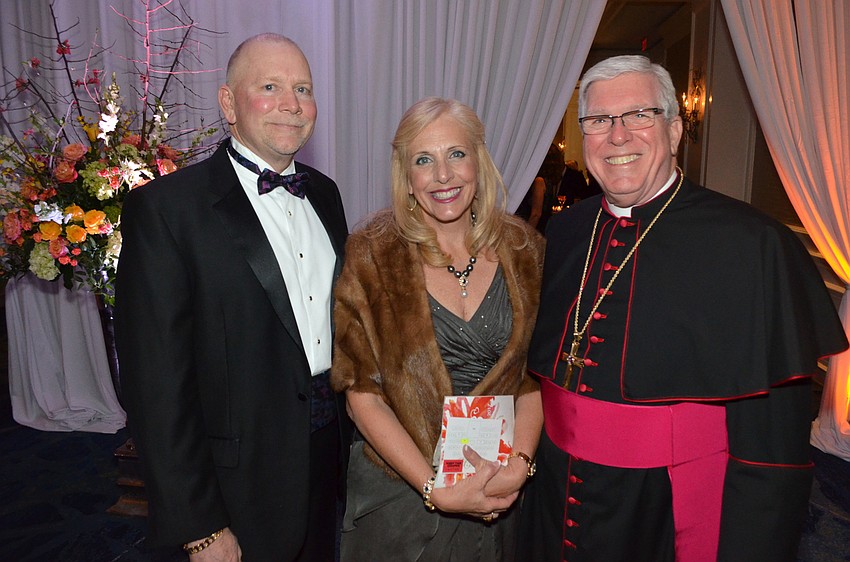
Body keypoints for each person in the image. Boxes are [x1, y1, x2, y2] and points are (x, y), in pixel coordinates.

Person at [518, 55, 848, 562]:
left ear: (673, 130)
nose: (617, 135)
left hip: (671, 512)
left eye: (639, 115)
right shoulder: (565, 230)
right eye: (599, 120)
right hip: (556, 504)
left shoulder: (753, 245)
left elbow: (773, 458)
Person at [114, 33, 348, 561]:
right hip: (233, 483)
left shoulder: (326, 194)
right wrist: (199, 526)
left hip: (326, 457)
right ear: (228, 103)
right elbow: (156, 386)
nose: (292, 104)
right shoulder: (167, 210)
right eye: (270, 86)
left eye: (303, 89)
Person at [331, 97, 545, 561]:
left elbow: (533, 380)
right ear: (406, 178)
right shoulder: (371, 253)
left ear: (479, 162)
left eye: (457, 154)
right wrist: (434, 489)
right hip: (399, 500)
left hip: (499, 494)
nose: (443, 175)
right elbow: (360, 392)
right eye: (424, 160)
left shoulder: (526, 249)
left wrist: (520, 465)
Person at [515, 143, 564, 234]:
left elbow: (536, 214)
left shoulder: (539, 181)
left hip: (536, 230)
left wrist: (526, 236)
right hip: (544, 229)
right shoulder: (551, 182)